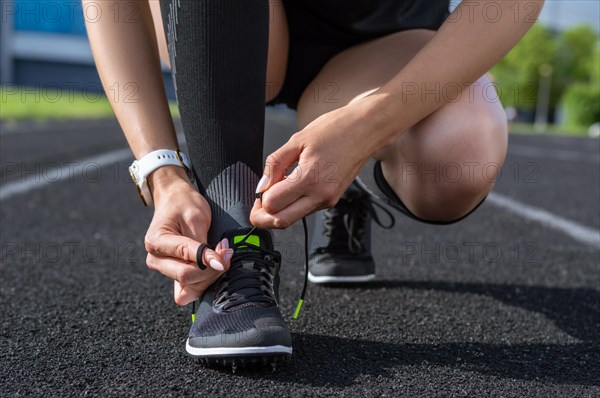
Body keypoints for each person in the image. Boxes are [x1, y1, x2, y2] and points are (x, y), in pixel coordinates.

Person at [84, 0, 543, 367]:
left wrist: (366, 128)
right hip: (236, 22)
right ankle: (231, 234)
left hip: (388, 36)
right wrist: (162, 173)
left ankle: (351, 181)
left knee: (458, 152)